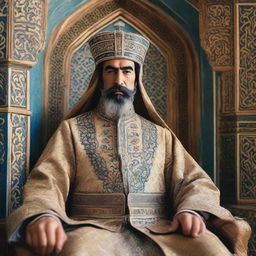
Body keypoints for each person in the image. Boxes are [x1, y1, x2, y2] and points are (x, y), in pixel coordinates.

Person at [7, 29, 250, 256]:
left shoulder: (161, 135)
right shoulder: (71, 130)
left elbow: (194, 181)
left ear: (136, 78)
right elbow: (47, 182)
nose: (119, 80)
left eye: (126, 70)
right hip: (92, 230)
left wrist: (191, 210)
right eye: (110, 71)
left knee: (213, 249)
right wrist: (44, 216)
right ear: (100, 78)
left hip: (163, 229)